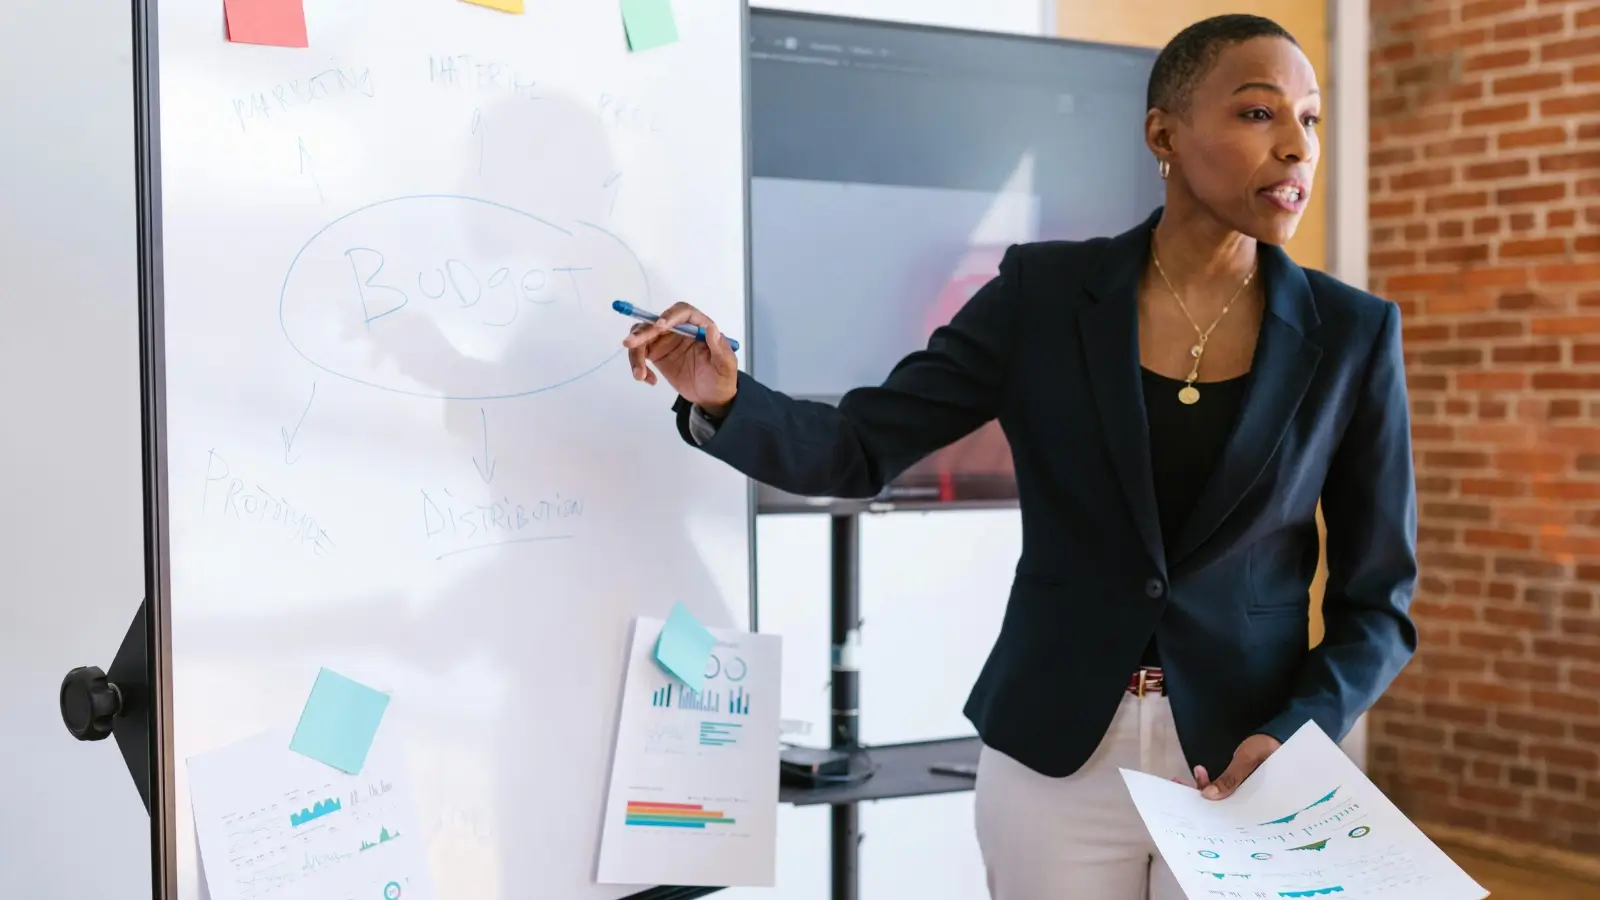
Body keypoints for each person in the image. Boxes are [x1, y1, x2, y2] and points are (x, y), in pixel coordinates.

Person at [622, 13, 1418, 900]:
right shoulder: (1043, 294)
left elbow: (1377, 601)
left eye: (1311, 120)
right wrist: (728, 397)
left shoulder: (1353, 334)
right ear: (1164, 132)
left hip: (1248, 763)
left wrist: (1299, 728)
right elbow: (857, 447)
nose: (1296, 149)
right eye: (1259, 114)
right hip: (1053, 757)